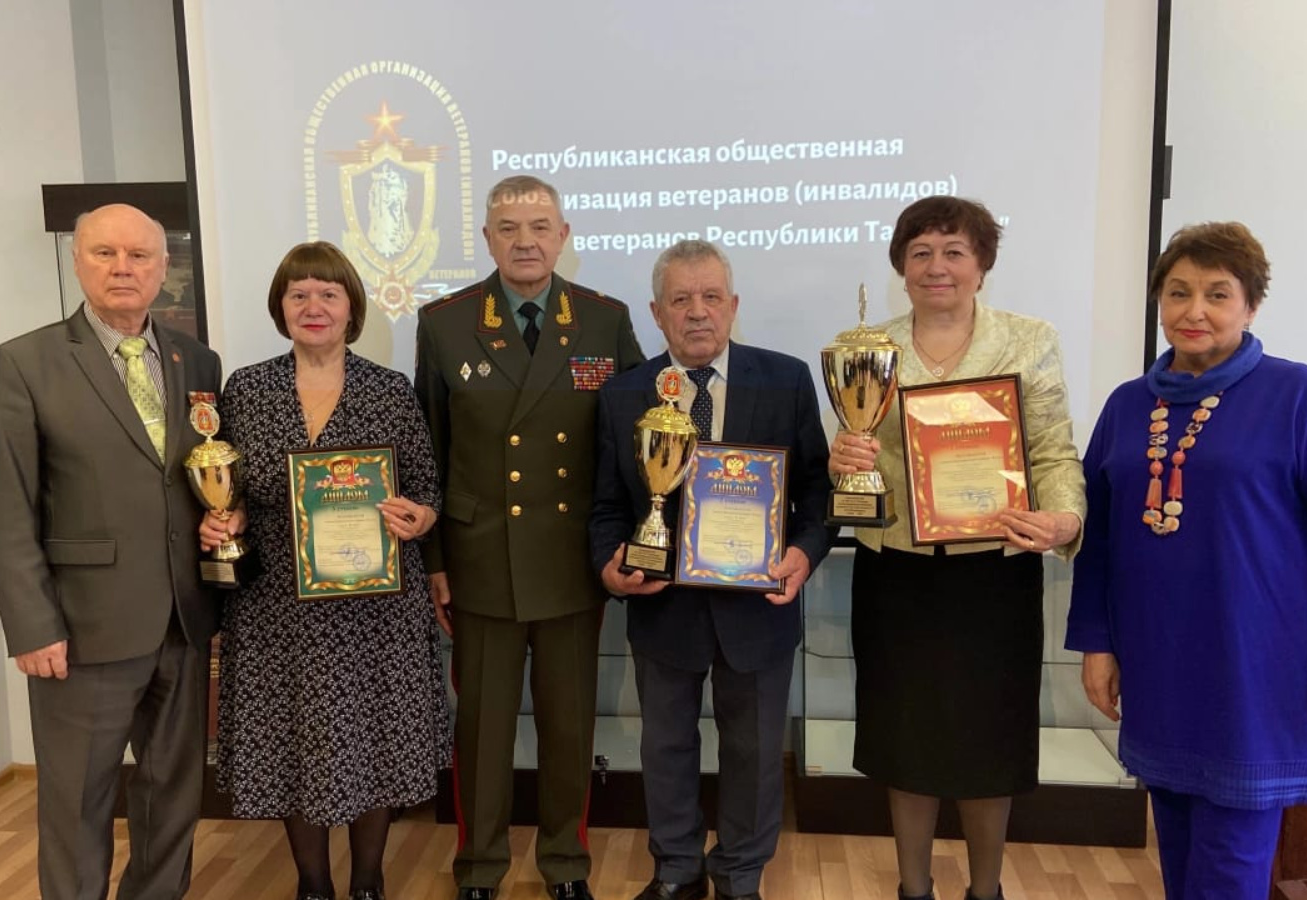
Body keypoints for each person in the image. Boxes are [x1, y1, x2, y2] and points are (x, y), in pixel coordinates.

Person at [1065, 222, 1307, 900]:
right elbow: (1100, 542)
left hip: (1258, 672)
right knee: (1178, 853)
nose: (1194, 310)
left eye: (1217, 294)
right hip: (1158, 662)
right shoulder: (1127, 404)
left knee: (1231, 865)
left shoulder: (1297, 394)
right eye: (1178, 292)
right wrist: (1096, 643)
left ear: (1251, 306)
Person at [829, 196, 1086, 900]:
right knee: (904, 736)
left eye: (953, 251)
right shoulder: (866, 346)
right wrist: (842, 457)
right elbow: (854, 457)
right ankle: (913, 888)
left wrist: (1064, 519)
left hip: (994, 575)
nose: (936, 267)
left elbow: (1053, 449)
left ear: (982, 265)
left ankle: (986, 890)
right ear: (901, 266)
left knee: (989, 739)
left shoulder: (1028, 340)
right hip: (896, 573)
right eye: (920, 253)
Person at [0, 203, 223, 900]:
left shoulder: (196, 360)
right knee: (77, 804)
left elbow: (201, 477)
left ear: (163, 268)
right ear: (77, 260)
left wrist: (223, 517)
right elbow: (6, 508)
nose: (123, 268)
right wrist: (32, 627)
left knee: (172, 797)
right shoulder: (23, 363)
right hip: (81, 631)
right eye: (105, 253)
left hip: (183, 621)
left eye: (139, 256)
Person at [414, 175, 644, 900]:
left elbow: (638, 440)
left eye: (540, 226)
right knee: (482, 731)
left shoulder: (604, 320)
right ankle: (479, 868)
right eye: (509, 228)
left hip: (572, 558)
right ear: (487, 239)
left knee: (569, 727)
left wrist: (631, 541)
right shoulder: (446, 322)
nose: (525, 241)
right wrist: (435, 561)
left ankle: (566, 865)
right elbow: (428, 453)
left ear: (563, 236)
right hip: (481, 559)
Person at [198, 242, 450, 900]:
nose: (314, 306)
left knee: (373, 740)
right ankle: (313, 884)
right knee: (292, 742)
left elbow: (427, 490)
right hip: (276, 607)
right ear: (281, 308)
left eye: (328, 294)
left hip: (375, 608)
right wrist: (227, 519)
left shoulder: (389, 390)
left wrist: (419, 517)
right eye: (299, 294)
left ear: (351, 308)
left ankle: (368, 881)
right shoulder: (247, 389)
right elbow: (231, 490)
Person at [589, 240, 834, 900]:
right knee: (665, 747)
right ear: (656, 312)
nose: (697, 312)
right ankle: (676, 869)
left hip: (758, 607)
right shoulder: (624, 394)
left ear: (733, 305)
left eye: (711, 297)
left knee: (754, 753)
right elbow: (606, 505)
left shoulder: (784, 380)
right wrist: (610, 566)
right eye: (680, 299)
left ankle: (739, 875)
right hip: (662, 606)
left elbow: (817, 489)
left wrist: (804, 553)